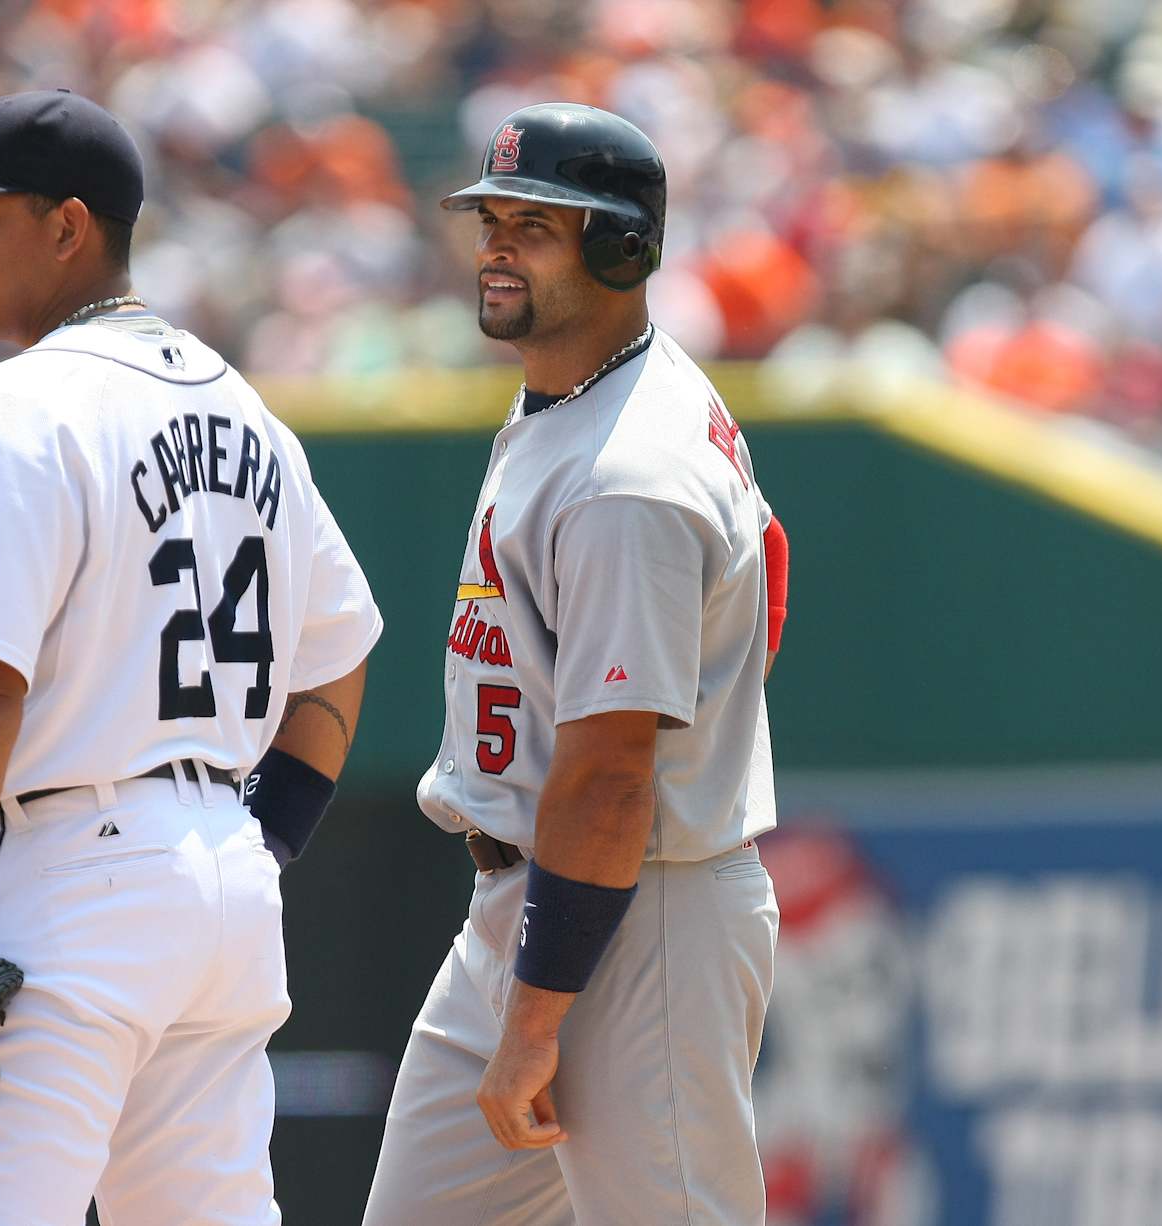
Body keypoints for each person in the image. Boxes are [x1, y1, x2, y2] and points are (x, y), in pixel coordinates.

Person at [0, 89, 383, 1226]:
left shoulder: (21, 407)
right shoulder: (251, 415)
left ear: (68, 226)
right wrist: (261, 832)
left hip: (62, 872)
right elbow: (338, 655)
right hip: (223, 895)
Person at [362, 102, 789, 1225]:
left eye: (535, 225)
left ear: (620, 248)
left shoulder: (627, 473)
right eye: (490, 218)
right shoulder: (582, 396)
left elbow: (609, 775)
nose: (496, 245)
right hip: (533, 902)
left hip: (638, 911)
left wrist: (539, 1018)